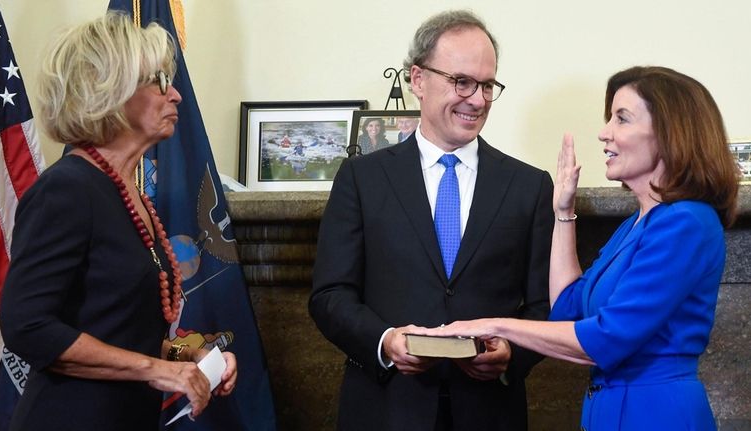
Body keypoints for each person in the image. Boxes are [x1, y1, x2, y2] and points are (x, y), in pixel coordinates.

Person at [422, 66, 739, 430]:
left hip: (656, 414)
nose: (604, 133)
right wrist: (563, 211)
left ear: (670, 134)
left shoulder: (686, 222)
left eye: (621, 119)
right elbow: (568, 307)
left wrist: (492, 325)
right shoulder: (636, 224)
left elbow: (605, 338)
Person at [309, 10, 554, 431]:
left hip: (490, 412)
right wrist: (386, 342)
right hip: (386, 409)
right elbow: (330, 295)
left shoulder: (529, 186)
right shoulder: (361, 179)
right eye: (462, 82)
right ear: (418, 80)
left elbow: (544, 305)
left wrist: (512, 352)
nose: (477, 99)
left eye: (487, 85)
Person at [0, 11, 237, 431]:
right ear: (109, 91)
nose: (176, 94)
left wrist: (187, 357)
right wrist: (156, 370)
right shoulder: (68, 189)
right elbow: (28, 327)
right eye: (160, 82)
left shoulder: (127, 192)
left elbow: (115, 326)